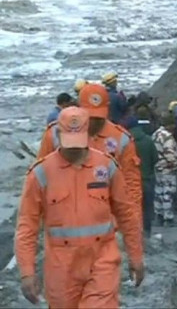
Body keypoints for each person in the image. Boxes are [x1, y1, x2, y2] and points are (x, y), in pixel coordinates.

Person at [15, 107, 144, 307]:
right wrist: (26, 272)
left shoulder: (106, 167)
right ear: (58, 134)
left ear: (88, 134)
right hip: (61, 267)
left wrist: (136, 256)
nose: (74, 149)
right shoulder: (41, 173)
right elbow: (27, 226)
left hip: (102, 259)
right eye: (69, 142)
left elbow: (127, 214)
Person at [37, 83, 143, 222]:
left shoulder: (121, 139)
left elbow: (131, 185)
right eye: (90, 116)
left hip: (106, 223)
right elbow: (39, 178)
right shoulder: (56, 134)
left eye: (98, 118)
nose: (93, 122)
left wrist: (133, 223)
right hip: (64, 220)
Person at [125, 116, 158, 239]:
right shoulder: (148, 140)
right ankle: (147, 233)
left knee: (131, 209)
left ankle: (133, 234)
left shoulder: (126, 142)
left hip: (130, 182)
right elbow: (156, 159)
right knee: (147, 208)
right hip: (147, 180)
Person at [152, 113, 177, 226]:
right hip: (167, 169)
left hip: (157, 168)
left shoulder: (155, 134)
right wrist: (176, 164)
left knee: (158, 192)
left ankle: (158, 215)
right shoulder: (167, 136)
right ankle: (168, 218)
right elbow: (169, 154)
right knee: (168, 193)